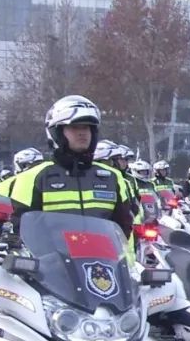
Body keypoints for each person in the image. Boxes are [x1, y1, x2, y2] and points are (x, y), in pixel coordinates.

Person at [9, 95, 135, 238]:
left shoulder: (112, 177)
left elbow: (123, 227)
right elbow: (23, 228)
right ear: (57, 133)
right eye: (74, 127)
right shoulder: (31, 178)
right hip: (52, 260)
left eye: (87, 127)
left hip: (103, 259)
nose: (82, 133)